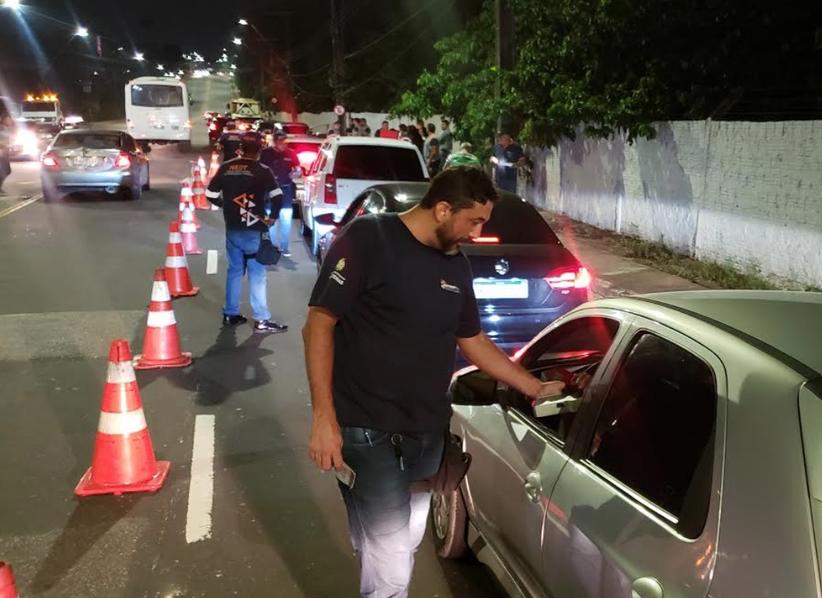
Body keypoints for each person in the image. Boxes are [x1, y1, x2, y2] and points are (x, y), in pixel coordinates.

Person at [303, 167, 569, 598]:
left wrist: (534, 387)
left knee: (400, 544)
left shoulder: (456, 265)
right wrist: (323, 418)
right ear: (443, 209)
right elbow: (318, 324)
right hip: (366, 429)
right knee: (392, 561)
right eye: (473, 221)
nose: (478, 233)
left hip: (425, 434)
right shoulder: (369, 239)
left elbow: (473, 340)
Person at [205, 133, 288, 334]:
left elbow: (210, 194)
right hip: (254, 229)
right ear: (259, 151)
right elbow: (278, 196)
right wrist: (273, 217)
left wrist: (226, 205)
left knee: (234, 271)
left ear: (240, 149)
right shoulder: (263, 170)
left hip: (233, 229)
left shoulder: (226, 168)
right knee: (257, 274)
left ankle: (231, 314)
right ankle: (261, 319)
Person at [259, 131, 301, 257]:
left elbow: (298, 169)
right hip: (269, 191)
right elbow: (259, 169)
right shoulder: (266, 153)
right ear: (274, 142)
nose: (283, 145)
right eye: (280, 142)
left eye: (284, 142)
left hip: (285, 190)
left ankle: (284, 247)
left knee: (286, 218)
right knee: (270, 218)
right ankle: (271, 245)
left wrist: (296, 173)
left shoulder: (291, 153)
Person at [0, 115, 12, 195]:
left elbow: (7, 140)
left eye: (10, 120)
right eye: (8, 120)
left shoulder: (7, 129)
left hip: (5, 152)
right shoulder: (1, 128)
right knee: (3, 171)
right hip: (1, 152)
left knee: (7, 171)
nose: (10, 121)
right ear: (3, 120)